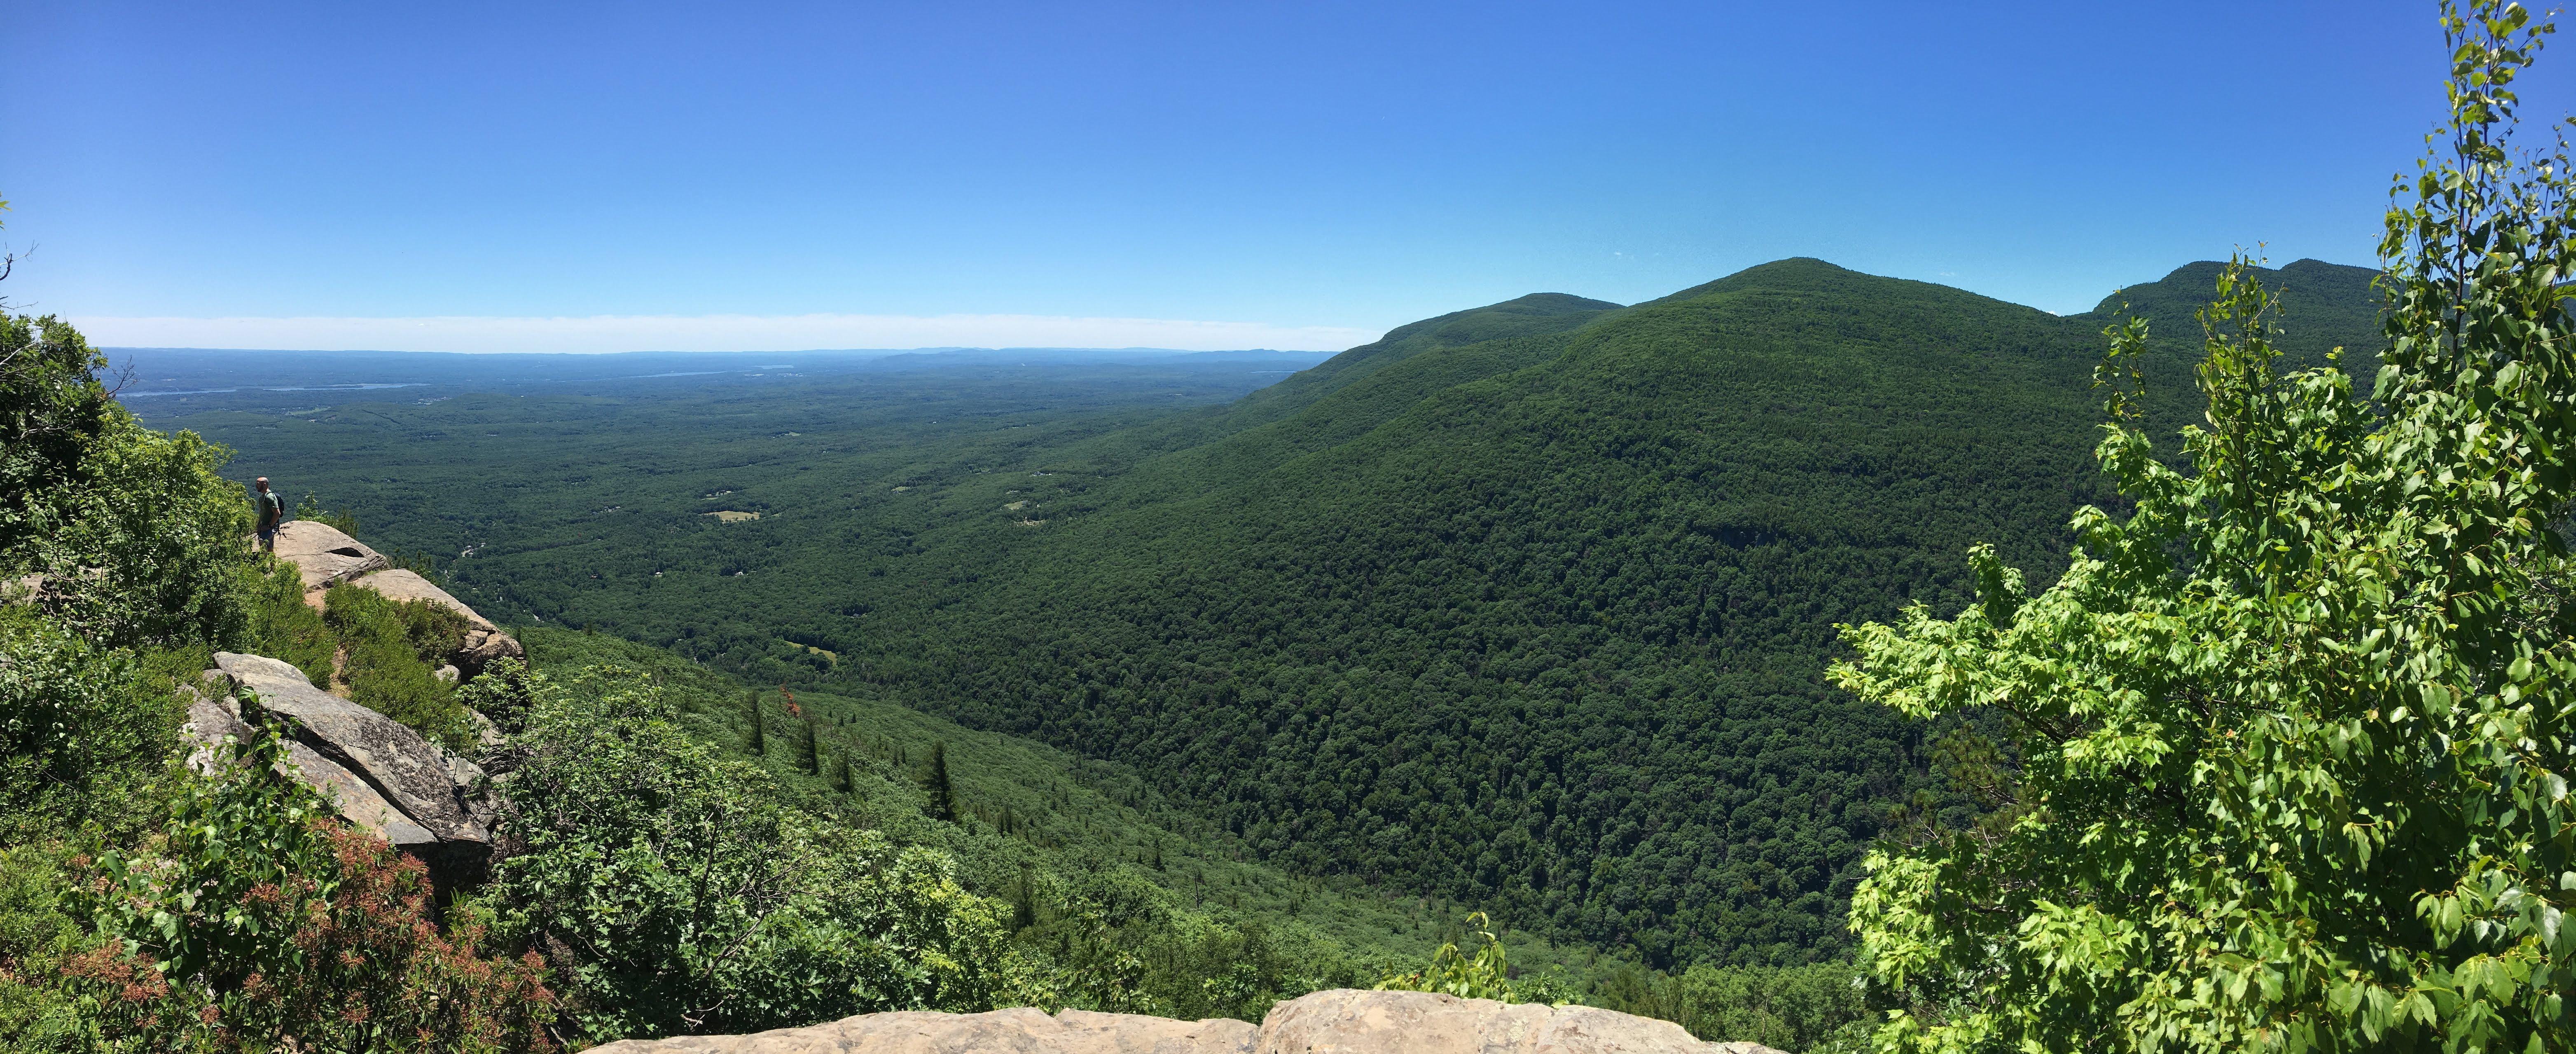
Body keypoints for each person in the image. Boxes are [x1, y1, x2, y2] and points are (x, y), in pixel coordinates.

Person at [252, 477, 285, 551]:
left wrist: (269, 526)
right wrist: (259, 524)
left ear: (264, 485)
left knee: (262, 540)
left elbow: (277, 513)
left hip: (272, 526)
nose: (256, 486)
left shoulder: (269, 497)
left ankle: (264, 561)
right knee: (270, 549)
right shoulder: (262, 497)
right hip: (266, 526)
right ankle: (272, 563)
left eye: (258, 484)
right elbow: (263, 512)